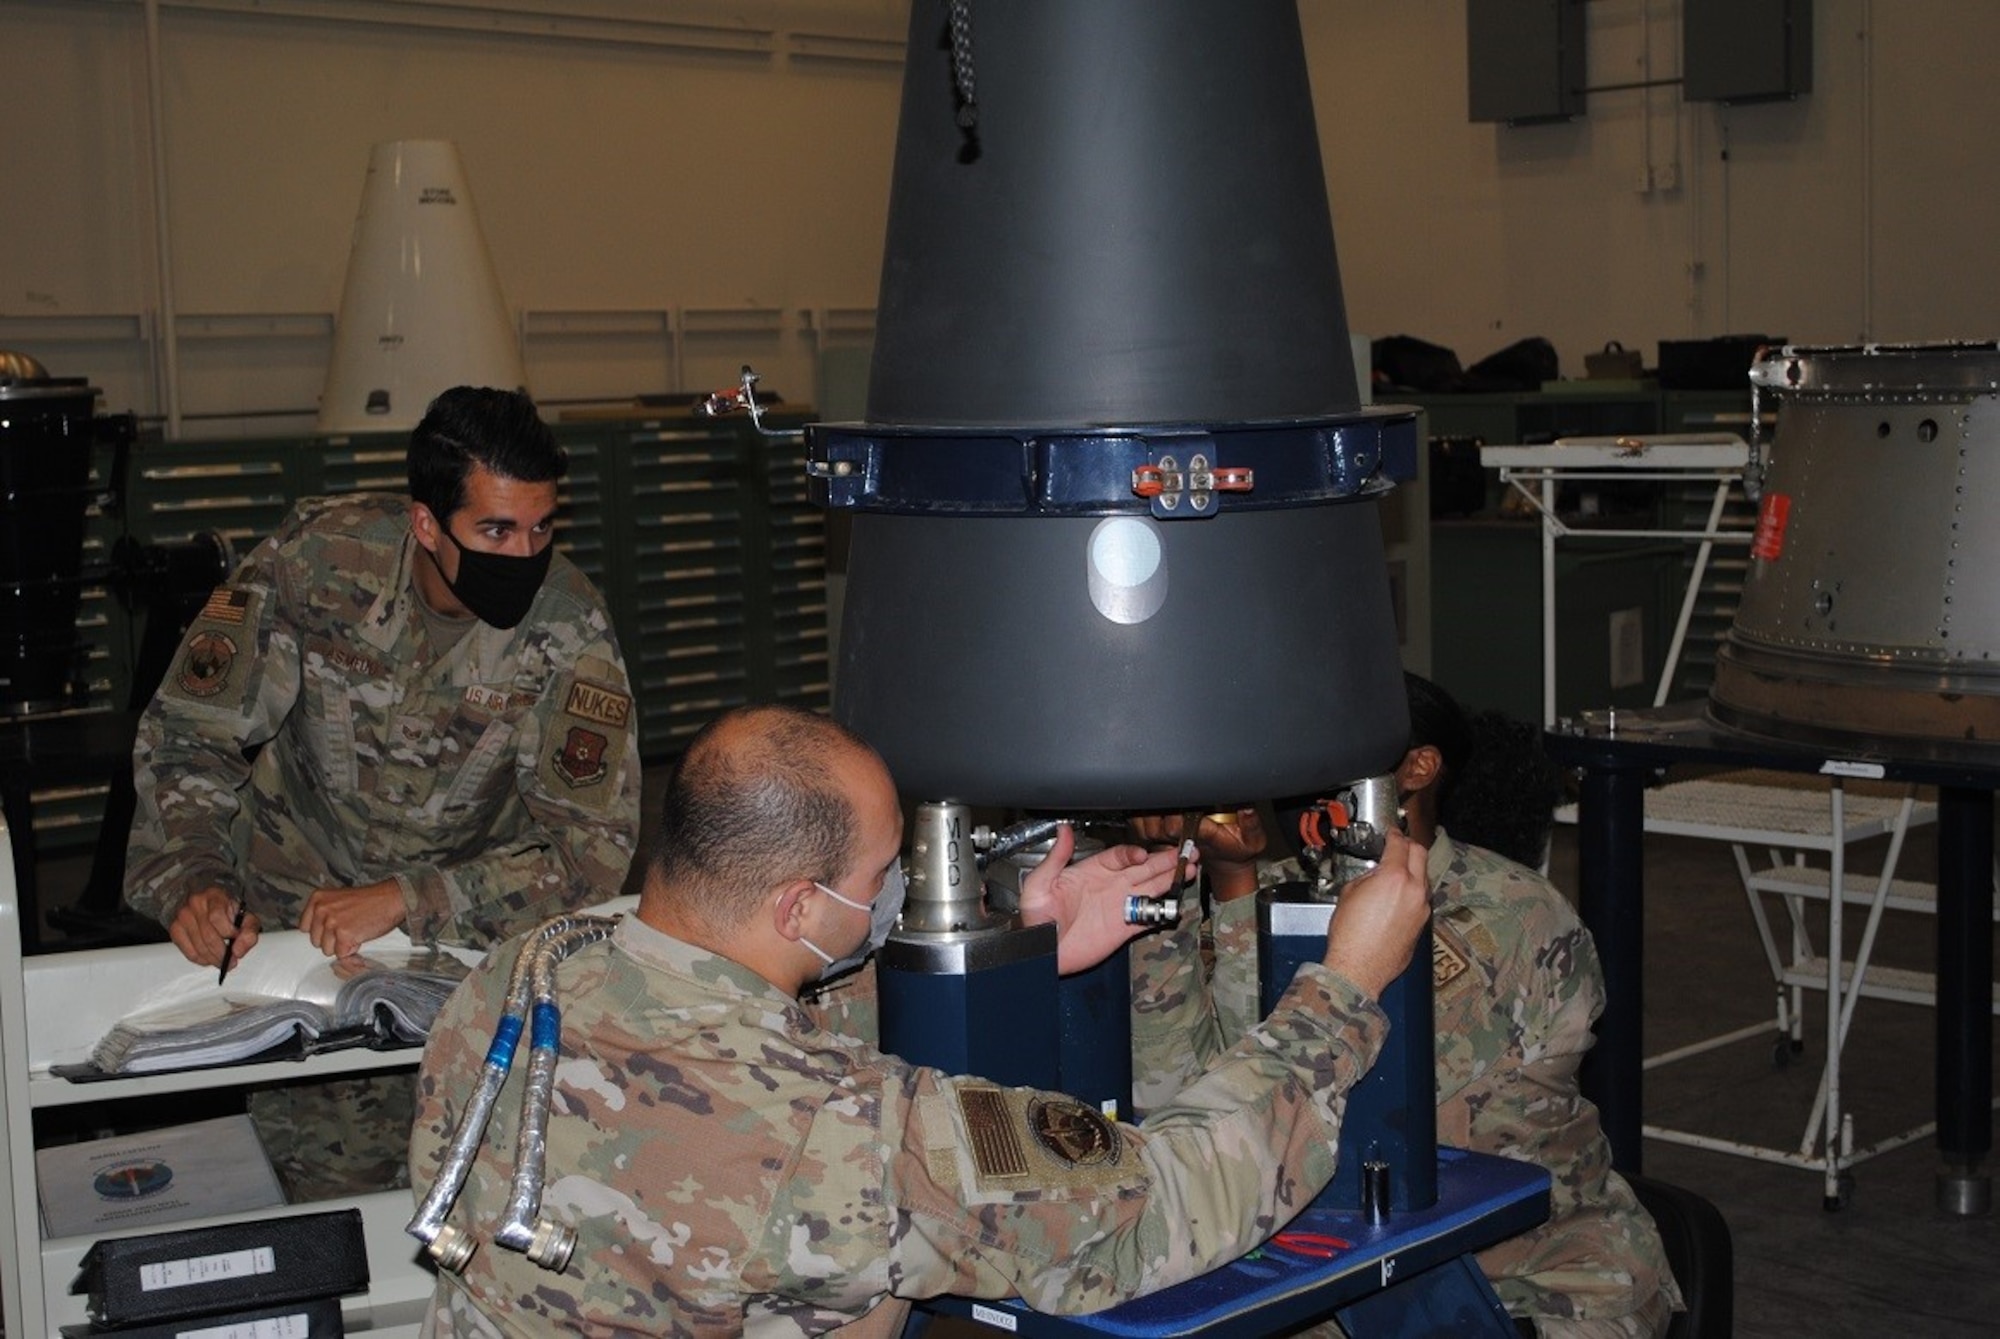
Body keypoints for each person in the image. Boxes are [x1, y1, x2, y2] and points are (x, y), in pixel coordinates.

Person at [409, 704, 1434, 1335]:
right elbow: (1158, 1204)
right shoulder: (840, 1138)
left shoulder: (530, 965)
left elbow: (726, 1030)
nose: (896, 887)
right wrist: (1342, 986)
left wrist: (1018, 947)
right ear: (799, 908)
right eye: (877, 874)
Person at [125, 386, 643, 1198]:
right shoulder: (317, 564)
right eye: (496, 529)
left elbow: (591, 853)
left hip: (461, 944)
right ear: (427, 523)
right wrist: (192, 876)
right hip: (293, 938)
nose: (526, 554)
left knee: (465, 1184)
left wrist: (409, 897)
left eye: (543, 527)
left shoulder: (567, 629)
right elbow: (190, 732)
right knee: (318, 1187)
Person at [1128, 674, 1683, 1338]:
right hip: (1340, 1275)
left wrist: (1245, 896)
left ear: (1419, 765)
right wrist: (1193, 880)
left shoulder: (1507, 915)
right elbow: (1181, 1105)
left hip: (1542, 1281)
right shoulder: (1278, 899)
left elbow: (1298, 1103)